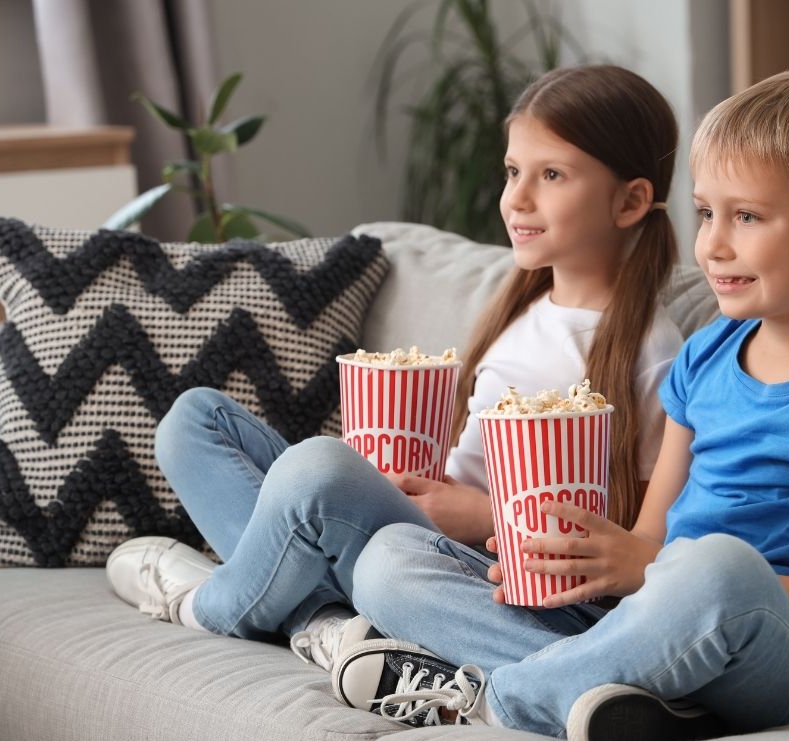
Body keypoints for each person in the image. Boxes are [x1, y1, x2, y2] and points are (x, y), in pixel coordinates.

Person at [332, 67, 789, 741]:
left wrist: (660, 571)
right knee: (392, 559)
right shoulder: (708, 354)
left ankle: (499, 698)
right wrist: (603, 562)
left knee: (716, 568)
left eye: (746, 216)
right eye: (707, 211)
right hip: (648, 616)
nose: (711, 244)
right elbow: (651, 542)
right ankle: (619, 689)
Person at [103, 64, 686, 677]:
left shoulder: (651, 351)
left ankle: (210, 605)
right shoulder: (522, 304)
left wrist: (483, 515)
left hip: (458, 561)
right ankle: (321, 621)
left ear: (630, 200)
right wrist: (404, 478)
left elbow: (627, 541)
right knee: (194, 419)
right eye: (514, 171)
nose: (516, 197)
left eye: (552, 175)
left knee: (318, 468)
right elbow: (464, 460)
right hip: (416, 523)